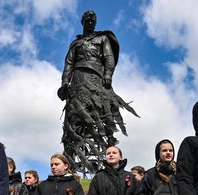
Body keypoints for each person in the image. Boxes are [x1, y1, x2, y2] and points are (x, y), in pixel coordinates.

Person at [58, 10, 138, 173]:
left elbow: (109, 58)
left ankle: (109, 162)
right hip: (78, 81)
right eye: (87, 18)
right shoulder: (75, 44)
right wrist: (65, 83)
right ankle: (72, 168)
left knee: (103, 117)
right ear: (82, 22)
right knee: (74, 121)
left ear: (95, 22)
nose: (90, 20)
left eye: (93, 18)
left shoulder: (102, 38)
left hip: (97, 80)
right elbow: (69, 64)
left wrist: (108, 74)